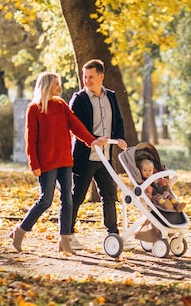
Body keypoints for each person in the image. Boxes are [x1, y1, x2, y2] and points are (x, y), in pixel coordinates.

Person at [10, 71, 107, 254]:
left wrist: (91, 140)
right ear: (47, 86)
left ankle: (64, 240)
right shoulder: (34, 109)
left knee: (67, 200)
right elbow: (31, 139)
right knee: (45, 200)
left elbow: (76, 125)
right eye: (56, 84)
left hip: (64, 161)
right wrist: (34, 164)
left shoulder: (61, 105)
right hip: (46, 163)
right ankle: (20, 231)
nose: (59, 87)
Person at [69, 59, 128, 248]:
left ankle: (113, 235)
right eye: (85, 77)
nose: (87, 80)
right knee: (77, 195)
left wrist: (120, 138)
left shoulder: (110, 96)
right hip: (85, 156)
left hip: (106, 157)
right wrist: (94, 139)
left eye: (91, 77)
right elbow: (75, 128)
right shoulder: (79, 99)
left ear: (101, 77)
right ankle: (67, 234)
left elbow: (118, 121)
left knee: (109, 195)